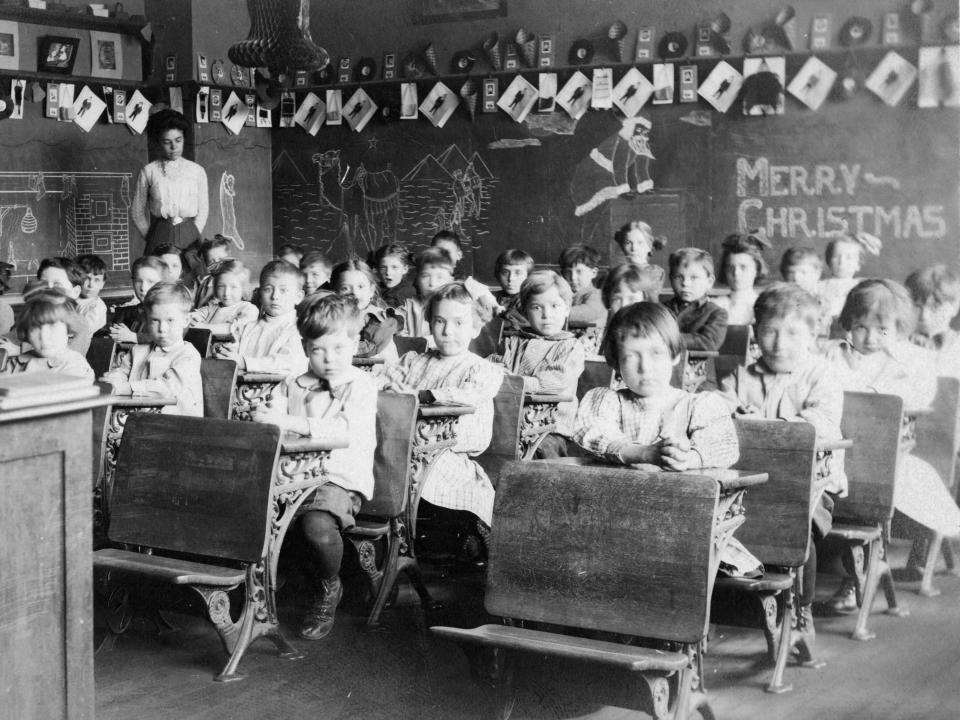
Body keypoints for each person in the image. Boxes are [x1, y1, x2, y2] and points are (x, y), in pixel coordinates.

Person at [718, 283, 845, 649]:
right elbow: (716, 404)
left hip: (808, 485)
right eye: (769, 331)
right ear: (756, 333)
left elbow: (820, 421)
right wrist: (731, 410)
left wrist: (769, 425)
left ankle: (801, 610)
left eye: (792, 332)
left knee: (794, 524)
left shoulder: (821, 374)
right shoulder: (743, 376)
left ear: (812, 334)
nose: (779, 342)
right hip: (750, 483)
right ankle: (728, 605)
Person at [823, 279, 960, 605]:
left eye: (881, 330)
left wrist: (870, 398)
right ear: (848, 324)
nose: (869, 338)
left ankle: (857, 578)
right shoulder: (833, 354)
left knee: (873, 487)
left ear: (898, 328)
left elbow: (913, 400)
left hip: (887, 457)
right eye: (860, 327)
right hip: (836, 451)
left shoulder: (913, 360)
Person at [251, 294, 377, 640]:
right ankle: (259, 593)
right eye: (319, 350)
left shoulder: (361, 386)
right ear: (305, 348)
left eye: (338, 349)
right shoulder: (292, 384)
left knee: (316, 527)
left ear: (354, 343)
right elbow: (273, 420)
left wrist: (289, 421)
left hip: (337, 479)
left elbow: (344, 430)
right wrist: (267, 418)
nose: (329, 359)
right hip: (291, 476)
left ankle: (328, 585)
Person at [375, 281, 504, 528]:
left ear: (476, 328)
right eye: (439, 321)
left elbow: (467, 396)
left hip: (447, 453)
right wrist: (387, 390)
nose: (447, 331)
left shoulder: (482, 369)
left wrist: (419, 395)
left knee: (422, 470)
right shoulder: (414, 361)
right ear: (430, 323)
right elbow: (381, 383)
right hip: (402, 447)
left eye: (459, 323)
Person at [574, 301, 739, 469]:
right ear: (617, 363)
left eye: (656, 353)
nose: (645, 367)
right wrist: (645, 453)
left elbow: (723, 446)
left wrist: (690, 458)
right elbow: (593, 436)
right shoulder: (606, 403)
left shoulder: (697, 406)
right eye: (631, 356)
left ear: (674, 355)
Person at [491, 271, 584, 458]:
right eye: (536, 307)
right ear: (525, 311)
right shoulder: (515, 341)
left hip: (550, 429)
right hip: (510, 422)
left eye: (555, 306)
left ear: (567, 309)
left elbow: (555, 382)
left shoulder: (570, 346)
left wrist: (513, 381)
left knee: (538, 452)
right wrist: (489, 368)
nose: (547, 315)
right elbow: (496, 363)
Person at [131, 110, 208, 287]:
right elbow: (137, 211)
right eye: (167, 142)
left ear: (184, 139)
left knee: (192, 280)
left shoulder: (197, 171)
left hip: (190, 232)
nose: (174, 147)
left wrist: (193, 230)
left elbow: (203, 209)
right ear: (159, 143)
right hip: (160, 232)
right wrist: (151, 235)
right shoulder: (149, 171)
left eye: (178, 140)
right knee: (157, 281)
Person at [101, 282, 202, 416]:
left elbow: (166, 388)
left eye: (170, 320)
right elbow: (122, 372)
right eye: (155, 320)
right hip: (138, 418)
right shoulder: (139, 350)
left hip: (177, 426)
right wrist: (112, 381)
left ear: (185, 320)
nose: (162, 328)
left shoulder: (188, 355)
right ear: (146, 320)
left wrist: (125, 388)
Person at [216, 259, 307, 375]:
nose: (275, 296)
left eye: (283, 290)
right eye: (268, 289)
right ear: (259, 294)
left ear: (298, 297)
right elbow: (232, 350)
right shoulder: (247, 328)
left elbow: (287, 363)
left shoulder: (299, 330)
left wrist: (244, 362)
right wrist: (226, 352)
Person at [1, 288, 94, 381]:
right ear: (27, 333)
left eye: (52, 327)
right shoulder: (16, 363)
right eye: (35, 328)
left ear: (68, 330)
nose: (44, 336)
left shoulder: (75, 367)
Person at [330, 259, 401, 361]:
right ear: (334, 292)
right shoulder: (330, 317)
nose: (354, 292)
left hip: (379, 368)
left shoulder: (379, 318)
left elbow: (382, 358)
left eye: (360, 287)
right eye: (345, 288)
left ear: (371, 291)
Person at [663, 248, 728, 351]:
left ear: (709, 282)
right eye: (679, 277)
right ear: (671, 278)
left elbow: (708, 342)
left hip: (698, 365)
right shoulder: (662, 309)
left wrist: (667, 339)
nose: (685, 283)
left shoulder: (716, 313)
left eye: (693, 278)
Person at [905, 264, 960, 377]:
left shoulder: (956, 345)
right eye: (917, 306)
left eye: (935, 307)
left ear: (954, 308)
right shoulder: (897, 334)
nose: (924, 316)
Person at [398, 247, 456, 345]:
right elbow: (401, 340)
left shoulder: (457, 307)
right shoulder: (407, 308)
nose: (432, 283)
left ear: (450, 280)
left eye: (440, 277)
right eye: (425, 276)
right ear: (417, 279)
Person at [818, 232, 882, 320]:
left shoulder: (861, 287)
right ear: (829, 260)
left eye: (849, 258)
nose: (842, 262)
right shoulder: (819, 287)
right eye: (836, 256)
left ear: (858, 264)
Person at [35, 257, 92, 355]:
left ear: (75, 292)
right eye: (43, 284)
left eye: (57, 284)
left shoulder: (79, 324)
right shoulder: (34, 315)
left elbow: (63, 359)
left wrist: (19, 349)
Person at [188, 259, 258, 337]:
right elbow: (192, 316)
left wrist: (203, 327)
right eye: (221, 286)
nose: (226, 293)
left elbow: (234, 328)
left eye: (233, 287)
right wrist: (190, 320)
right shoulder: (212, 308)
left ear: (243, 288)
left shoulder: (248, 309)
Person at [103, 256, 165, 344]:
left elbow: (169, 337)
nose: (143, 288)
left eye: (151, 282)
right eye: (138, 281)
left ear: (163, 284)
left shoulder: (170, 312)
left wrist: (134, 337)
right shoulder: (127, 313)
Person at [713, 232, 770, 325]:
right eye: (730, 267)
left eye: (743, 267)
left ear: (757, 269)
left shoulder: (763, 306)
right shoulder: (716, 305)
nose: (736, 273)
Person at [780, 246, 830, 336]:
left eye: (803, 272)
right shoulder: (778, 301)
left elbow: (823, 331)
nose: (796, 278)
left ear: (817, 274)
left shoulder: (822, 303)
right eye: (791, 272)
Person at [613, 221, 666, 295]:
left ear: (649, 246)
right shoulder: (618, 272)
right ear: (622, 246)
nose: (634, 248)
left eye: (640, 243)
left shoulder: (655, 272)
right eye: (628, 243)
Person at [559, 244, 606, 325]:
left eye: (579, 271)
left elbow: (588, 312)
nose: (573, 277)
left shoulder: (597, 295)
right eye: (568, 272)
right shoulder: (562, 293)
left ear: (593, 273)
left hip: (592, 335)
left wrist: (552, 311)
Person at [193, 235, 233, 309]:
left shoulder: (234, 281)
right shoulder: (204, 282)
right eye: (211, 261)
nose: (217, 264)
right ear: (206, 264)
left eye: (221, 259)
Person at [372, 243, 416, 308]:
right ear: (378, 269)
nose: (388, 272)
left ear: (405, 269)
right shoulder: (375, 288)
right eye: (383, 267)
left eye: (394, 267)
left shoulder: (405, 293)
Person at [76, 254, 108, 333]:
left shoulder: (96, 307)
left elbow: (81, 332)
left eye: (97, 280)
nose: (91, 285)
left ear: (102, 284)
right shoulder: (72, 297)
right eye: (87, 278)